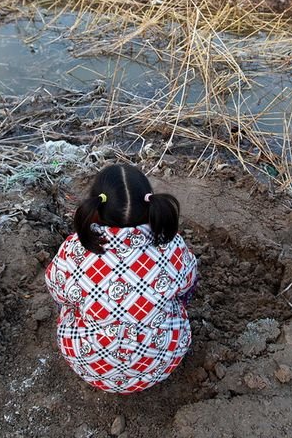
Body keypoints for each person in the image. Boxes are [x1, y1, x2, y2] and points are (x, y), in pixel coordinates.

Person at [44, 163, 198, 394]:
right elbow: (187, 285)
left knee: (70, 301)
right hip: (161, 361)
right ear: (149, 204)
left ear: (96, 208)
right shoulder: (171, 244)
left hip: (90, 364)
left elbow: (57, 292)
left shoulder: (73, 249)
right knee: (179, 294)